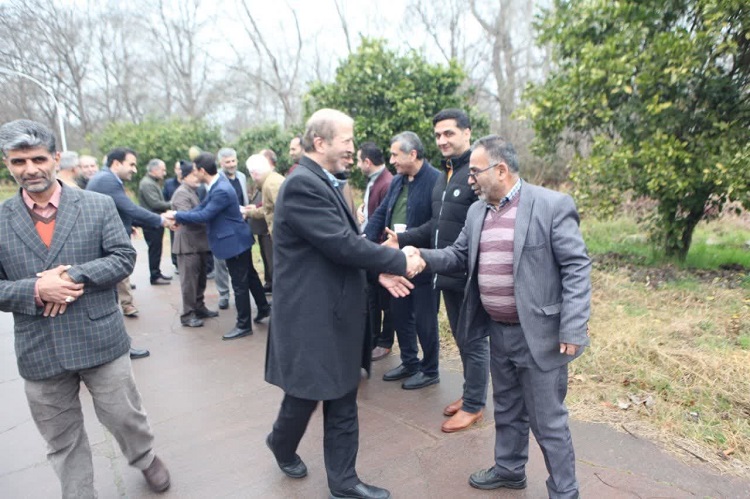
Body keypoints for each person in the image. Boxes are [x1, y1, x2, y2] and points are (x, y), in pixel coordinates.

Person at [0, 119, 171, 497]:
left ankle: (145, 458)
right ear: (7, 163)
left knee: (124, 415)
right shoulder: (1, 219)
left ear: (56, 158)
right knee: (61, 438)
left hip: (99, 338)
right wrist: (37, 289)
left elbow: (123, 257)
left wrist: (73, 276)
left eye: (38, 159)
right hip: (39, 348)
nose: (30, 169)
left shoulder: (97, 205)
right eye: (18, 161)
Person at [415, 134, 592, 498]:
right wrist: (420, 257)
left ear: (501, 170)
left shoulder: (551, 205)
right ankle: (510, 470)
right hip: (499, 331)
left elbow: (576, 267)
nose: (469, 179)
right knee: (508, 408)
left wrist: (573, 326)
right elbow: (457, 256)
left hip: (540, 334)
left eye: (475, 171)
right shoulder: (477, 212)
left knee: (547, 420)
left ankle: (565, 490)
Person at [265, 109, 421, 499]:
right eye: (347, 140)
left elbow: (336, 248)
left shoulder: (323, 180)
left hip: (336, 313)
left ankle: (344, 481)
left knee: (342, 394)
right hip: (312, 317)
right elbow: (341, 244)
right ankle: (281, 443)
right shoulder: (302, 185)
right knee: (305, 396)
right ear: (320, 142)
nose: (353, 148)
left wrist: (376, 272)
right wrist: (397, 260)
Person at [394, 108, 487, 432]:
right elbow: (437, 224)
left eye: (449, 133)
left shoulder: (477, 172)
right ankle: (471, 393)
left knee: (474, 340)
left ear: (467, 133)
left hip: (471, 273)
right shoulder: (446, 175)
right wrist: (403, 239)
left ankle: (475, 404)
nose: (442, 140)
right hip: (447, 270)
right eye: (437, 135)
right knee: (462, 338)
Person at [364, 132, 441, 390]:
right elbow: (380, 214)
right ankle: (410, 362)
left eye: (396, 155)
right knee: (399, 314)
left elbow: (436, 223)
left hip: (423, 261)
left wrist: (404, 239)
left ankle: (430, 369)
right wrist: (364, 241)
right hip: (396, 262)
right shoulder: (397, 181)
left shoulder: (435, 180)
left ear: (413, 154)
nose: (392, 160)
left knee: (424, 320)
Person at [166, 153, 271, 340]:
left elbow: (205, 215)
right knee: (250, 276)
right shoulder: (218, 184)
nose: (193, 173)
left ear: (202, 171)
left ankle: (244, 325)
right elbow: (201, 208)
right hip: (237, 239)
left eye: (195, 170)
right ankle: (263, 308)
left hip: (234, 241)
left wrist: (177, 215)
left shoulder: (220, 188)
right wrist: (179, 216)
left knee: (239, 284)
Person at [87, 147, 175, 359]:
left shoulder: (105, 179)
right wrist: (161, 220)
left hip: (102, 246)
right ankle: (116, 349)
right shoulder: (107, 180)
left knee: (110, 299)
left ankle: (116, 347)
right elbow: (129, 208)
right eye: (131, 164)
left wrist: (131, 223)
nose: (134, 169)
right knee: (109, 301)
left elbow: (119, 211)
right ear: (116, 163)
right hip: (103, 250)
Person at [356, 141, 394, 361]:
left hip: (379, 250)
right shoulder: (374, 181)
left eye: (359, 161)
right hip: (369, 248)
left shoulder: (386, 183)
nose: (357, 165)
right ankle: (373, 340)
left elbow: (385, 220)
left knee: (384, 300)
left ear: (367, 162)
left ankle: (384, 342)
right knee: (372, 298)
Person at [170, 161, 218, 327]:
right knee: (189, 282)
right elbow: (186, 217)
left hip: (198, 243)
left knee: (200, 279)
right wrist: (208, 217)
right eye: (192, 174)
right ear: (184, 177)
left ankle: (199, 307)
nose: (196, 177)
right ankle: (188, 314)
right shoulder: (181, 193)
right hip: (187, 245)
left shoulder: (192, 191)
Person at [213, 147, 250, 310]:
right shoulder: (217, 179)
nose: (231, 164)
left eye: (233, 161)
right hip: (223, 226)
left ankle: (241, 293)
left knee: (242, 262)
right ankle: (224, 294)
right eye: (227, 162)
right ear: (221, 163)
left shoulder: (242, 176)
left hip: (241, 224)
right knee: (221, 262)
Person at [245, 151, 284, 293]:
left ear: (254, 173)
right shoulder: (270, 181)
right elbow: (268, 209)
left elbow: (284, 211)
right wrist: (250, 212)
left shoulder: (271, 184)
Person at [137, 159, 172, 285]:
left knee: (157, 248)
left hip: (154, 220)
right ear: (154, 170)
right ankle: (155, 275)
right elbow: (155, 203)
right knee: (154, 249)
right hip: (151, 221)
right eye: (162, 170)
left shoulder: (151, 182)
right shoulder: (147, 183)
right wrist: (172, 204)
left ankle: (157, 272)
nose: (164, 173)